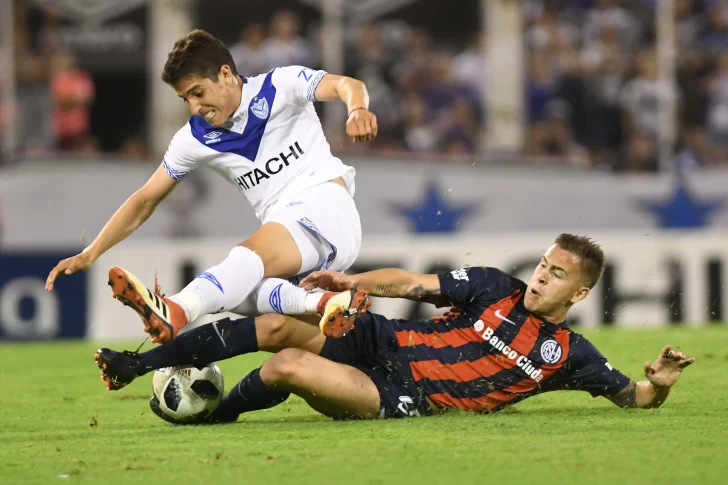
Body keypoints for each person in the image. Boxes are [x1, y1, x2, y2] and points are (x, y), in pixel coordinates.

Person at [95, 234, 695, 422]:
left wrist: (661, 383)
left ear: (581, 292)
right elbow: (410, 284)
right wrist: (353, 284)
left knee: (284, 368)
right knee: (278, 322)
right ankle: (137, 363)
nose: (540, 278)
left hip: (405, 396)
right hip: (384, 340)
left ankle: (212, 413)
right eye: (542, 264)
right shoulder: (493, 284)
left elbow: (635, 398)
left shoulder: (570, 353)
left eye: (556, 274)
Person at [45, 29, 378, 342]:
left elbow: (347, 85)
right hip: (293, 239)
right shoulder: (194, 138)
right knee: (241, 293)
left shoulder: (280, 85)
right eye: (185, 99)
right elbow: (145, 200)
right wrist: (92, 253)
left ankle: (176, 309)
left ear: (225, 74)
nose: (194, 107)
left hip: (327, 210)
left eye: (197, 93)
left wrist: (357, 109)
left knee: (244, 260)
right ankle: (324, 303)